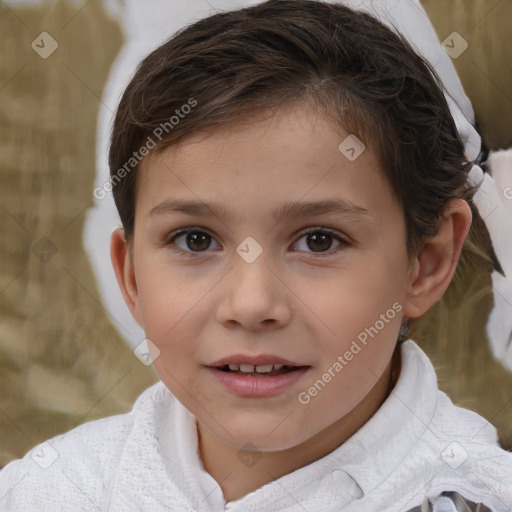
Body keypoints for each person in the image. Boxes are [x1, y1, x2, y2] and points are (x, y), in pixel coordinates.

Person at [1, 0, 511, 510]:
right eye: (195, 240)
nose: (250, 304)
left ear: (427, 262)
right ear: (131, 275)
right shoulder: (43, 493)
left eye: (318, 240)